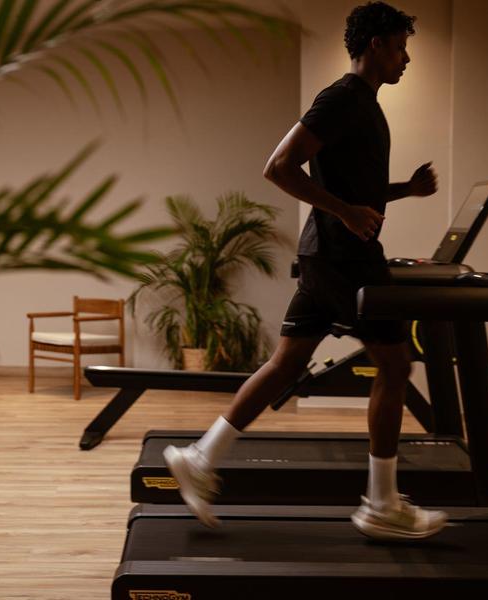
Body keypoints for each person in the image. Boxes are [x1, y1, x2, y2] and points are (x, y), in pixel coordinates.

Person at [164, 1, 447, 540]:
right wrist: (345, 212)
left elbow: (354, 191)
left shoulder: (363, 104)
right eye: (401, 47)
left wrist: (403, 191)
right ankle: (382, 503)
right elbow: (278, 167)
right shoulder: (343, 98)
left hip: (328, 253)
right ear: (376, 47)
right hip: (344, 257)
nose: (406, 58)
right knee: (395, 365)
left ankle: (202, 457)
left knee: (287, 363)